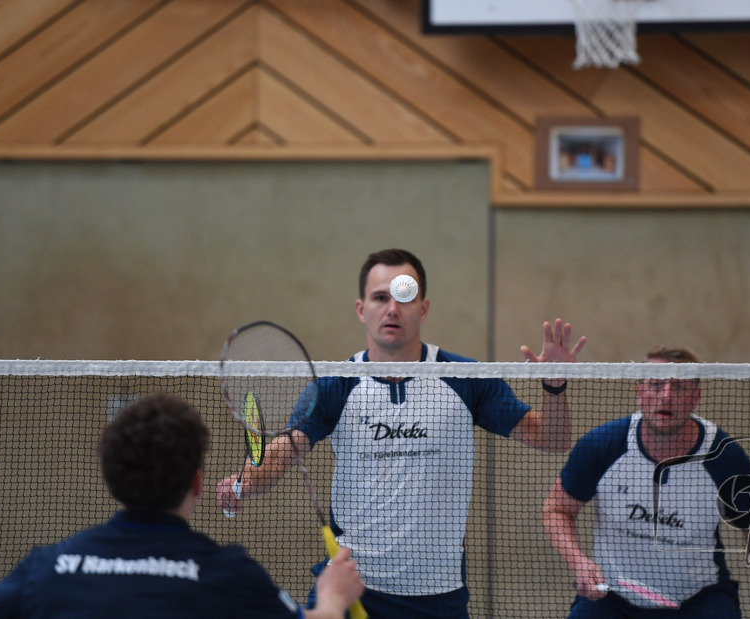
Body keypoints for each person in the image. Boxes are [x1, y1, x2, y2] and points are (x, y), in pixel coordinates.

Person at [217, 248, 586, 619]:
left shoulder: (466, 378)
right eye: (380, 297)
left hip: (438, 597)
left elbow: (551, 439)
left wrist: (554, 388)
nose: (392, 308)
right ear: (362, 308)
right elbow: (282, 451)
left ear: (423, 308)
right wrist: (244, 481)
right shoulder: (335, 385)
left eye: (405, 296)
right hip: (352, 590)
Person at [0, 392, 363, 619]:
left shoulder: (48, 570)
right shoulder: (229, 574)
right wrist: (332, 598)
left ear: (111, 477)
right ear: (198, 483)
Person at [542, 346, 750, 619]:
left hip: (699, 600)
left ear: (695, 397)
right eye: (655, 384)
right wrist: (578, 562)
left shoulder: (724, 456)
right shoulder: (602, 445)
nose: (666, 396)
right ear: (640, 392)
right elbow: (556, 509)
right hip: (611, 598)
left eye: (679, 387)